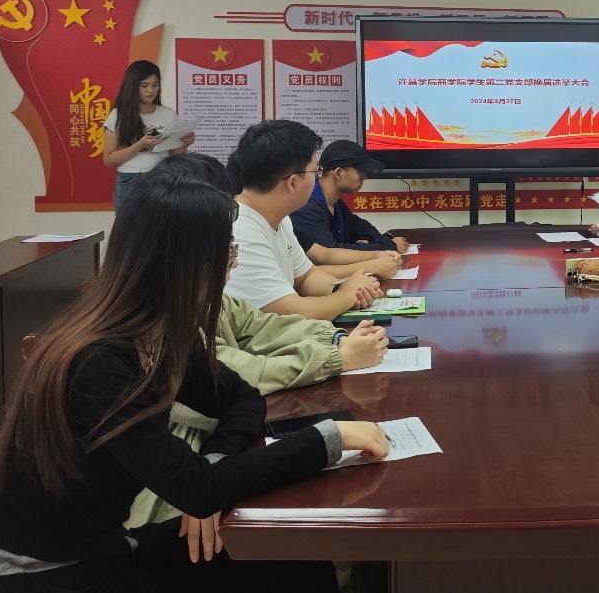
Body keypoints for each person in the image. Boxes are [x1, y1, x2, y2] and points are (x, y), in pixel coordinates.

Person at [0, 173, 390, 593]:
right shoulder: (99, 362)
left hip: (100, 550)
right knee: (267, 576)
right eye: (225, 252)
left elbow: (242, 400)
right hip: (39, 585)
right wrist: (327, 439)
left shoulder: (161, 333)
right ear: (184, 263)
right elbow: (196, 489)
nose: (231, 266)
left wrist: (213, 464)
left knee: (291, 552)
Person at [125, 152, 389, 527]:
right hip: (153, 509)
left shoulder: (188, 296)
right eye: (225, 249)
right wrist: (337, 359)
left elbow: (254, 342)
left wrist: (334, 340)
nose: (232, 261)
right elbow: (242, 372)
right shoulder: (141, 334)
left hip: (199, 467)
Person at [224, 120, 393, 321]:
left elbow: (306, 277)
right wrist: (346, 295)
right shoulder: (241, 231)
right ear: (293, 182)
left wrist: (348, 288)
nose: (318, 178)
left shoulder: (279, 218)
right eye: (315, 171)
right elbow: (292, 312)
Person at [102, 59, 194, 211]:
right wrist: (140, 145)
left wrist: (185, 143)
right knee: (131, 225)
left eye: (155, 85)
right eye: (144, 86)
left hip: (163, 177)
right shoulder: (119, 115)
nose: (150, 90)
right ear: (132, 86)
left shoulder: (168, 114)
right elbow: (109, 159)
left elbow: (175, 155)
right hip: (131, 178)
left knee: (161, 224)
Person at [291, 140, 409, 258]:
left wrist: (368, 240)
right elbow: (331, 253)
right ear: (338, 173)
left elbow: (362, 228)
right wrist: (389, 246)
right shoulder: (307, 207)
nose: (364, 177)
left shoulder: (336, 203)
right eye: (360, 171)